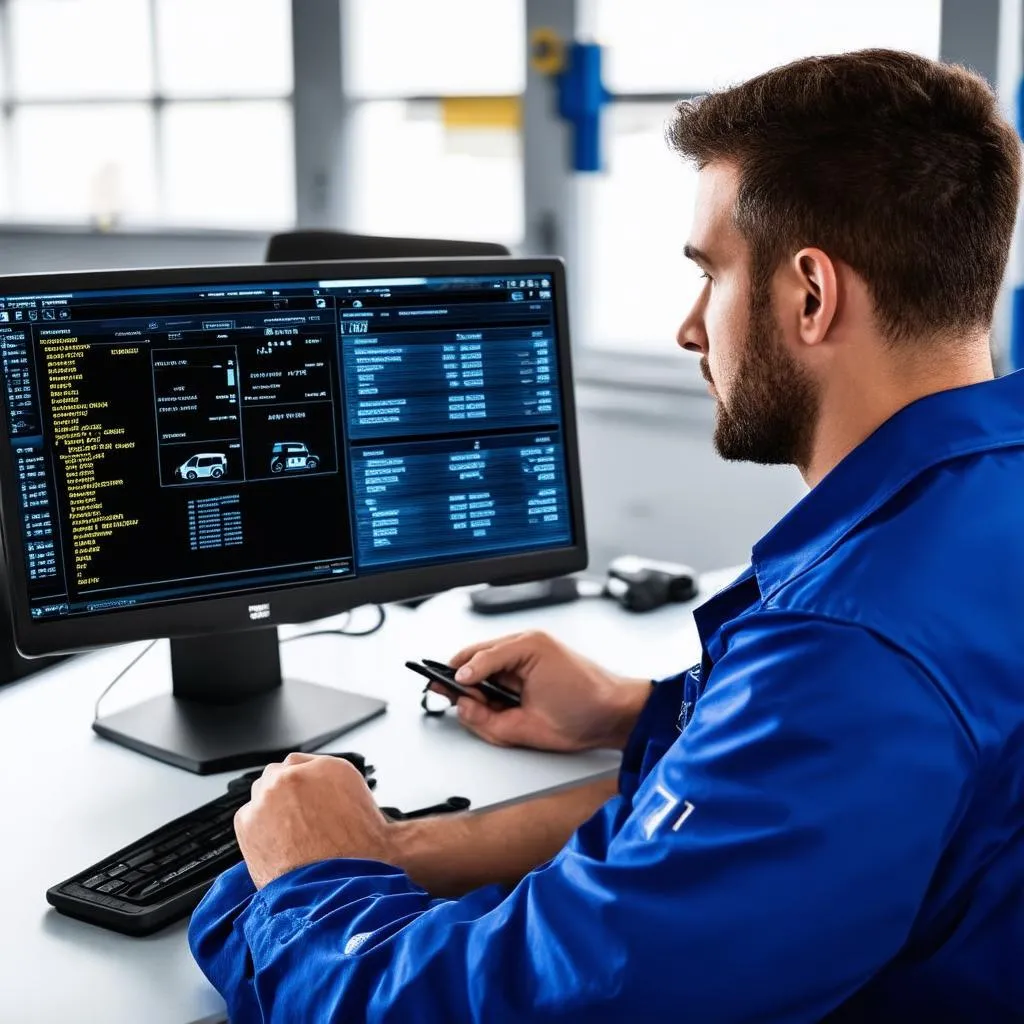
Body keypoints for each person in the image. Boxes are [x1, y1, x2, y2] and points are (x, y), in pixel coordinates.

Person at [189, 49, 1024, 1022]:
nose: (687, 327)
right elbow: (897, 766)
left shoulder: (851, 646)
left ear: (809, 294)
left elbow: (523, 1003)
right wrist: (637, 710)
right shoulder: (973, 505)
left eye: (708, 273)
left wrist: (308, 881)